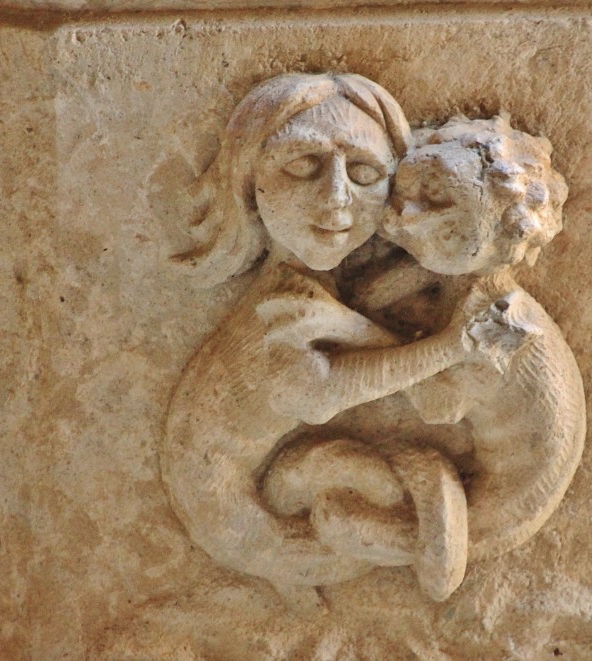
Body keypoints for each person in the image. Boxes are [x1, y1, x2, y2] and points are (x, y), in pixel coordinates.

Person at [162, 74, 520, 604]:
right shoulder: (277, 317)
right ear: (248, 183)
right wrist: (451, 347)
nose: (335, 199)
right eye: (302, 165)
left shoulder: (316, 292)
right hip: (240, 521)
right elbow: (324, 392)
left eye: (365, 172)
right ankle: (436, 541)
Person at [266, 115, 585, 564]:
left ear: (494, 247)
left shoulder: (502, 325)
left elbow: (436, 400)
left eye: (447, 226)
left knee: (338, 515)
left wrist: (351, 329)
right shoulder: (464, 278)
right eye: (429, 187)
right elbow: (391, 287)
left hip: (488, 508)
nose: (408, 214)